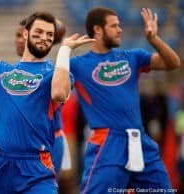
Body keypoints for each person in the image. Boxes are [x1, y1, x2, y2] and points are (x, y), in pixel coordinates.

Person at [0, 11, 94, 194]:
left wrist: (65, 51)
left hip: (35, 166)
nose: (44, 37)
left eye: (49, 35)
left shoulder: (56, 75)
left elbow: (59, 93)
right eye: (39, 32)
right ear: (26, 34)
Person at [66, 7, 181, 193]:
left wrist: (154, 40)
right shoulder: (78, 64)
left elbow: (173, 63)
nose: (120, 30)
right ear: (98, 30)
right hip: (107, 143)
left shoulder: (132, 57)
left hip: (140, 140)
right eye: (114, 26)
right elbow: (56, 86)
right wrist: (64, 50)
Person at [14, 17, 71, 178]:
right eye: (17, 35)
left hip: (47, 141)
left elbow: (58, 94)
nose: (19, 40)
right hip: (25, 145)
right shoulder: (13, 70)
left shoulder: (51, 71)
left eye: (22, 35)